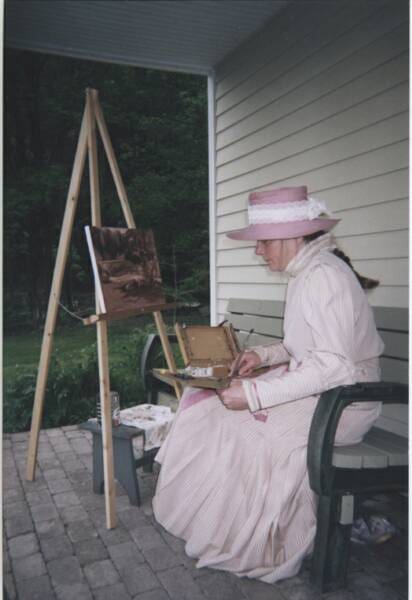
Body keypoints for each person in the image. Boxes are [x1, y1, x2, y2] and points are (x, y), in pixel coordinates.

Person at [152, 186, 384, 583]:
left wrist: (258, 393)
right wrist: (263, 357)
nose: (258, 251)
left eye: (263, 242)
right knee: (206, 403)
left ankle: (260, 537)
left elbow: (337, 366)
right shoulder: (307, 272)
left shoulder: (324, 277)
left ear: (294, 236)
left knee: (242, 427)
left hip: (345, 404)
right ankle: (215, 518)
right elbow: (306, 347)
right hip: (325, 389)